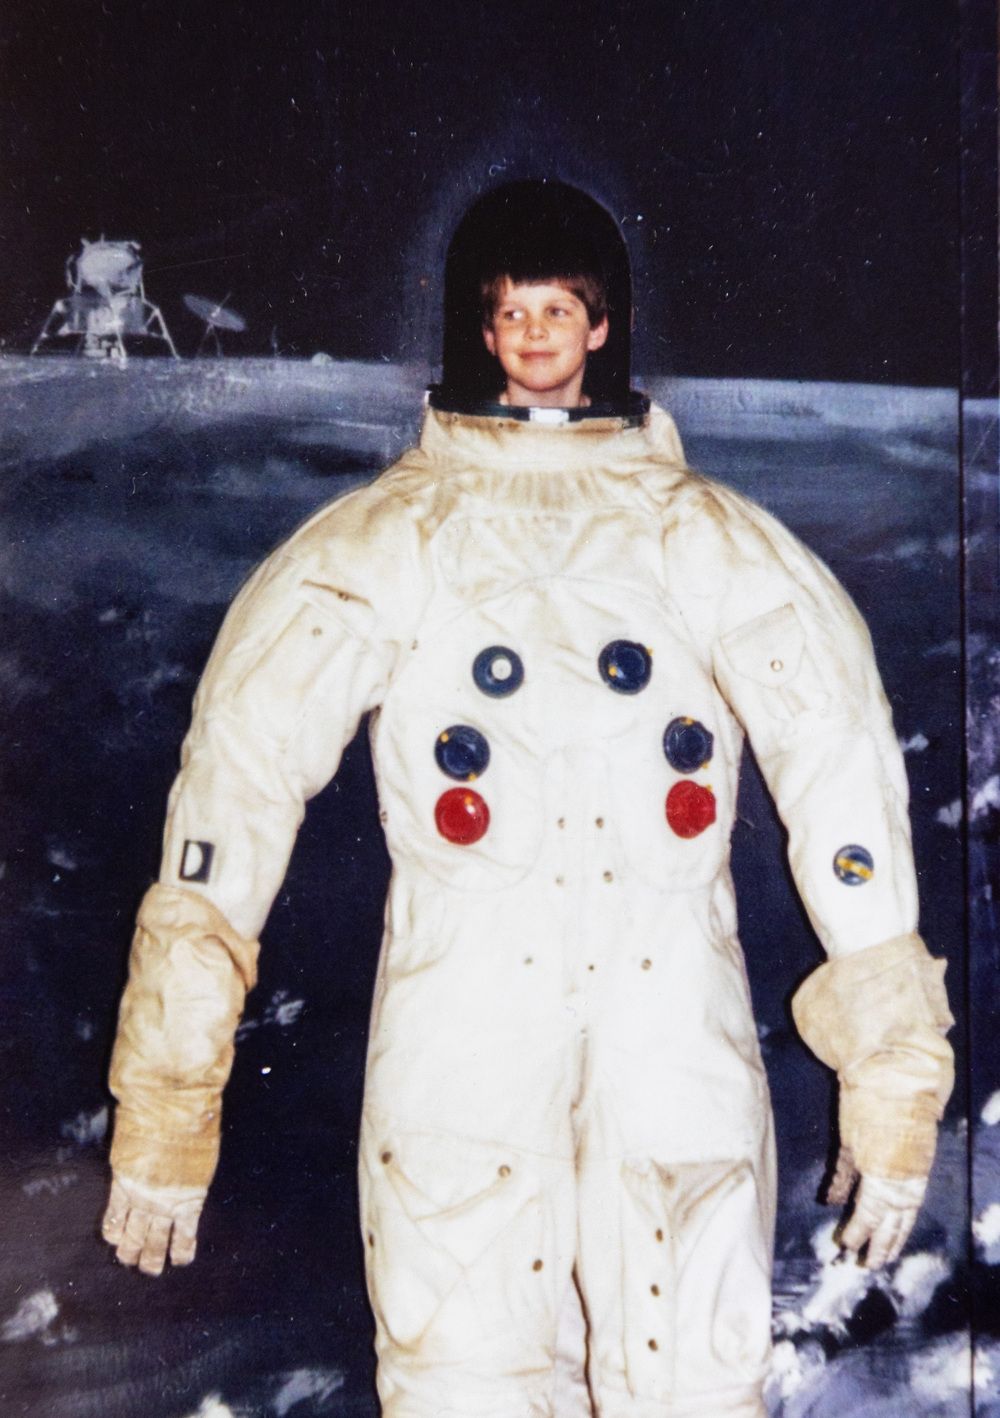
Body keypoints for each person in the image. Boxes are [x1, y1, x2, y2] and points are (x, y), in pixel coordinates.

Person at [102, 181, 953, 1418]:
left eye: (561, 309)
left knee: (687, 1381)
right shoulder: (391, 540)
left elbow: (843, 784)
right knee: (462, 1379)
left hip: (670, 1030)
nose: (538, 336)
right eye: (512, 313)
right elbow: (234, 791)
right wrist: (171, 1094)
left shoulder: (706, 541)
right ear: (480, 331)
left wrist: (890, 1073)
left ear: (601, 326)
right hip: (465, 1034)